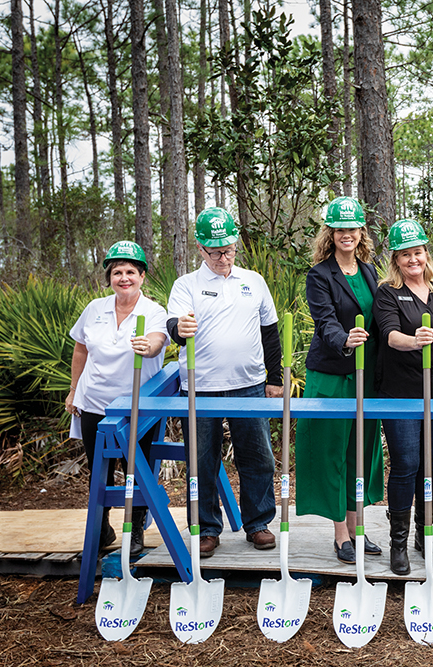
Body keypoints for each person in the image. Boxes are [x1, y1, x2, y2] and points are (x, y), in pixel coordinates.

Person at [167, 207, 282, 557]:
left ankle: (258, 523)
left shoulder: (253, 281)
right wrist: (178, 329)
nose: (223, 257)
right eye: (215, 251)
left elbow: (270, 333)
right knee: (202, 460)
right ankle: (206, 529)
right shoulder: (187, 285)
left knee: (258, 456)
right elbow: (173, 324)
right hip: (200, 388)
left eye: (228, 249)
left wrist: (275, 379)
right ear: (200, 249)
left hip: (250, 384)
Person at [295, 196, 384, 564]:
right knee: (332, 451)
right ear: (329, 233)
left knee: (361, 451)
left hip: (369, 374)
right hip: (332, 373)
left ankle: (358, 527)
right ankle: (340, 535)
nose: (346, 234)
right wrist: (344, 340)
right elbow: (325, 319)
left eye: (352, 228)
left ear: (360, 231)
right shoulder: (319, 275)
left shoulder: (368, 271)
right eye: (339, 228)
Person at [67, 241, 168, 556]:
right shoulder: (95, 308)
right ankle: (101, 529)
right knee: (100, 470)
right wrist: (73, 390)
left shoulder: (153, 311)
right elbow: (81, 348)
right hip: (94, 402)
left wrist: (146, 346)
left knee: (136, 470)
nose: (123, 278)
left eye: (130, 272)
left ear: (142, 276)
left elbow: (157, 340)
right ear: (109, 277)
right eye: (117, 272)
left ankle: (135, 529)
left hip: (136, 405)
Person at [373, 219, 433, 575]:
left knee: (430, 466)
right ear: (396, 259)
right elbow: (390, 335)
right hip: (400, 393)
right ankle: (399, 542)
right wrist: (415, 342)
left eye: (418, 252)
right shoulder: (387, 292)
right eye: (406, 254)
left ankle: (425, 534)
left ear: (426, 254)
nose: (413, 260)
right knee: (406, 465)